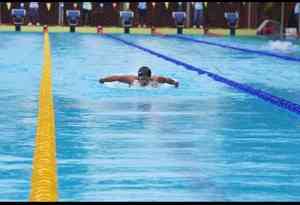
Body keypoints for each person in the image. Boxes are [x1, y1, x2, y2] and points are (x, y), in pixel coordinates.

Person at [99, 66, 179, 88]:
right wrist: (103, 80)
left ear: (149, 77)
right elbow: (117, 78)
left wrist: (175, 83)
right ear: (138, 77)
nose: (143, 81)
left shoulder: (156, 79)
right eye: (141, 78)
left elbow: (167, 80)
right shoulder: (132, 80)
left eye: (145, 78)